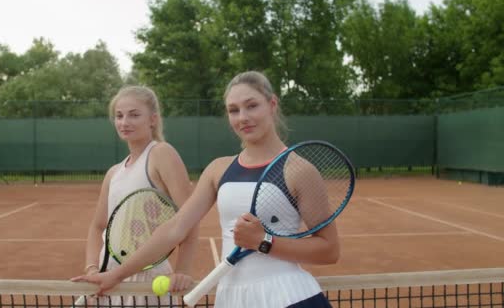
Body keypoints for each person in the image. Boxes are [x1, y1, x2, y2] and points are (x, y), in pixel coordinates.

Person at [72, 72, 339, 308]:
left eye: (252, 106)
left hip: (287, 297)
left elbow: (329, 250)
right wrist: (116, 275)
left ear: (272, 105)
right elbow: (175, 228)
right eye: (233, 110)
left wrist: (264, 241)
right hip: (231, 298)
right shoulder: (217, 170)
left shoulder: (299, 170)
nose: (243, 117)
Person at [79, 85, 198, 305]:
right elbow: (98, 227)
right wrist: (92, 267)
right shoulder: (113, 173)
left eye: (134, 115)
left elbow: (190, 220)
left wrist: (181, 271)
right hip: (108, 282)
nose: (125, 122)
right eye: (119, 116)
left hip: (147, 281)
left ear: (152, 119)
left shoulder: (162, 153)